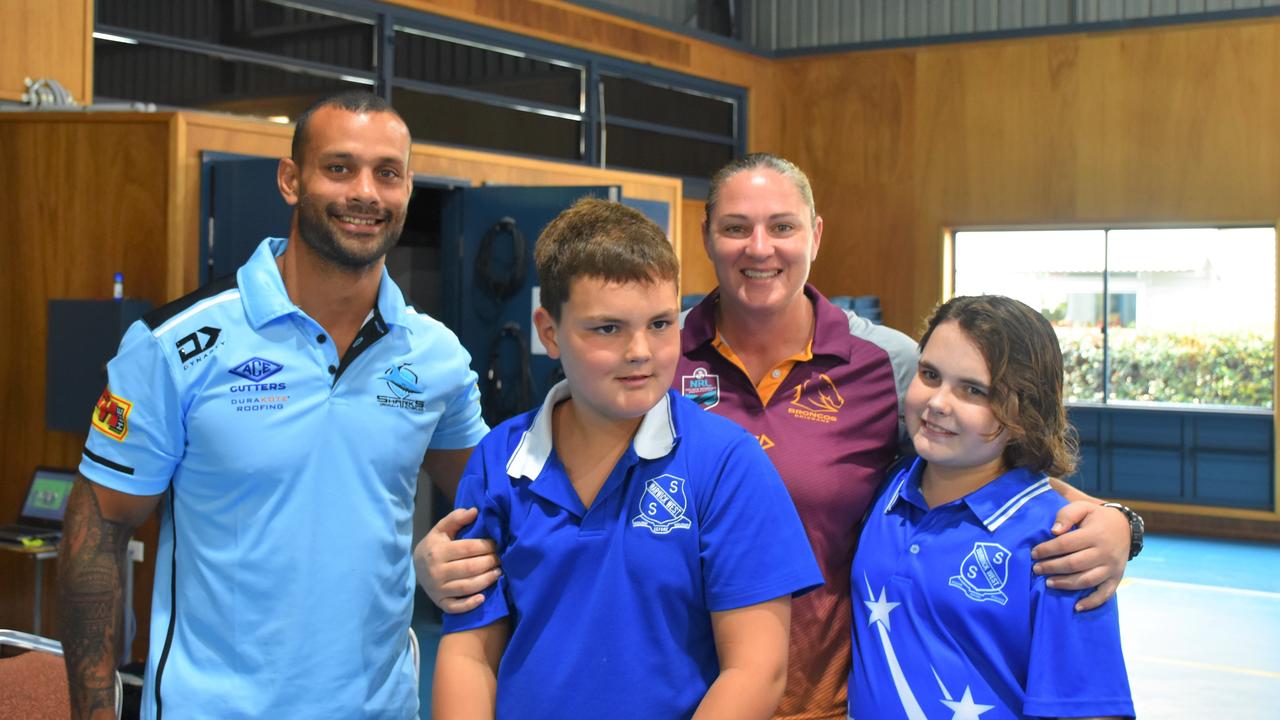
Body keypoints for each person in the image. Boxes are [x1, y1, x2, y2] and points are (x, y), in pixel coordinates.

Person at [418, 154, 1139, 719]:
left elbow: (996, 459)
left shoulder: (888, 366)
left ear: (815, 235)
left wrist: (1116, 522)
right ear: (707, 237)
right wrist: (429, 560)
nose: (759, 247)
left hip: (823, 700)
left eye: (782, 226)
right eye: (736, 226)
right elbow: (477, 617)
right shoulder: (662, 362)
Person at [58, 91, 488, 720]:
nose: (365, 192)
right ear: (291, 180)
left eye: (387, 173)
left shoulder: (437, 356)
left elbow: (494, 502)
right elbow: (97, 534)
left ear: (407, 190)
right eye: (338, 168)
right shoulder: (174, 347)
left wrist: (442, 557)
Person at [432, 198, 823, 720]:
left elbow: (756, 669)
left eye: (661, 324)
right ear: (549, 332)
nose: (641, 350)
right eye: (608, 328)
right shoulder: (498, 460)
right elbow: (469, 655)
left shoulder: (728, 464)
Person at [850, 295, 1134, 718]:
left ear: (1024, 410)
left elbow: (1089, 709)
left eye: (973, 390)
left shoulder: (1064, 545)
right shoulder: (886, 487)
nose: (938, 402)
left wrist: (1123, 523)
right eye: (930, 374)